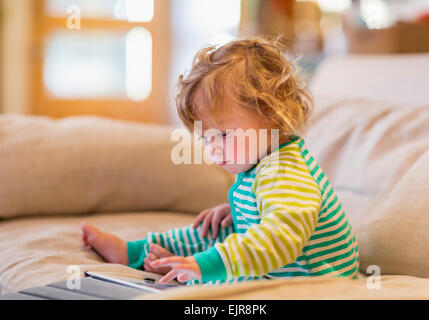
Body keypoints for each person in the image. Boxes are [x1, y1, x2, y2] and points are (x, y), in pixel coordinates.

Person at [81, 37, 360, 286]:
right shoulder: (265, 162)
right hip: (287, 271)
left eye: (224, 134)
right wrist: (237, 208)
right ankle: (138, 251)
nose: (213, 148)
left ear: (273, 115)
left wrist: (207, 266)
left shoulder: (284, 171)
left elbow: (280, 238)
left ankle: (182, 269)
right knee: (214, 228)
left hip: (312, 283)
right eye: (206, 137)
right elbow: (276, 205)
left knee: (219, 271)